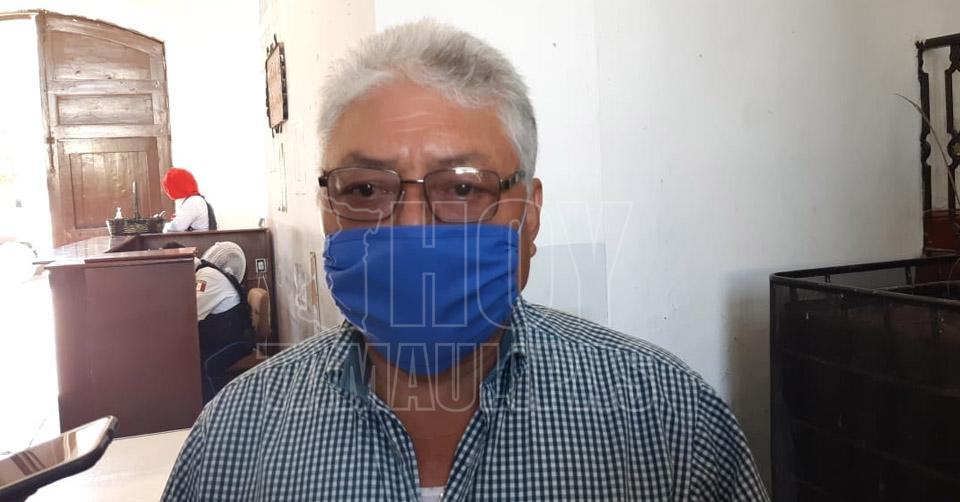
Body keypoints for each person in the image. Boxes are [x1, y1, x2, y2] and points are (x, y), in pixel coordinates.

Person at [164, 20, 768, 501]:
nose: (412, 228)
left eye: (462, 187)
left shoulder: (670, 425)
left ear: (529, 215)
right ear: (327, 209)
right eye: (366, 189)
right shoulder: (233, 443)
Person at [194, 242, 254, 403]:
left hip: (238, 341)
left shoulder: (205, 279)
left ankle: (214, 410)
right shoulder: (203, 272)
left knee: (204, 365)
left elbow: (191, 314)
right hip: (224, 338)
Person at [161, 167, 218, 232]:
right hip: (202, 236)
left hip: (198, 238)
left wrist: (164, 226)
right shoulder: (196, 199)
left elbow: (176, 227)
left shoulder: (192, 202)